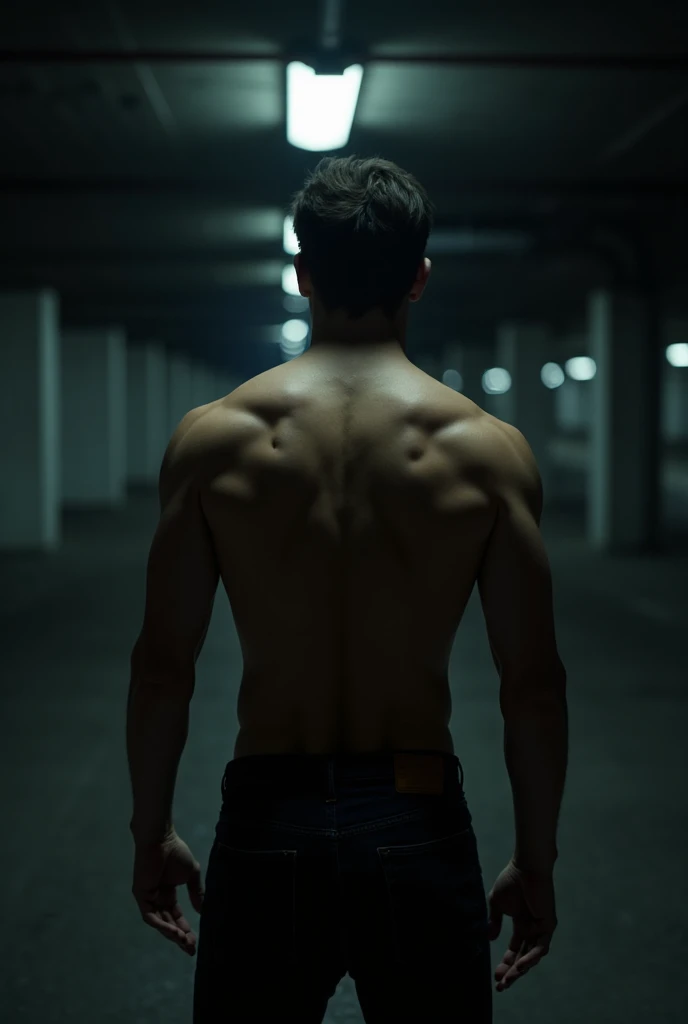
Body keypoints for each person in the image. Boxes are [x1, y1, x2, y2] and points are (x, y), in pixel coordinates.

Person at [128, 154, 568, 1023]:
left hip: (267, 813)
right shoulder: (487, 451)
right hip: (416, 813)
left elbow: (163, 666)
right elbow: (533, 684)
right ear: (420, 276)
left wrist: (151, 836)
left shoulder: (213, 441)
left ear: (301, 275)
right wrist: (536, 859)